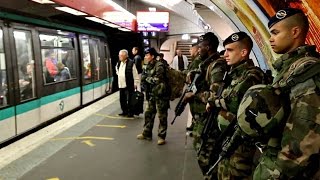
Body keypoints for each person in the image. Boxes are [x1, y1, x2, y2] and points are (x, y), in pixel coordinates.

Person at [251, 8, 320, 179]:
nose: (270, 38)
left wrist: (272, 174)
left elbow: (305, 139)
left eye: (275, 33)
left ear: (295, 32)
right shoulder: (290, 68)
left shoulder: (306, 72)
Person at [209, 32, 266, 180]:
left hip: (240, 140)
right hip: (227, 136)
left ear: (243, 52)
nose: (225, 54)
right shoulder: (233, 74)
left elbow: (234, 102)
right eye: (225, 50)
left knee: (236, 174)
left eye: (230, 50)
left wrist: (214, 102)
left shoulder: (252, 75)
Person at [184, 32, 228, 176]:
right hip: (202, 116)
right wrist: (193, 72)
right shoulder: (207, 63)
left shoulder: (217, 66)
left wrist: (195, 95)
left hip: (210, 117)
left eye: (200, 47)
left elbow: (216, 95)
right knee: (203, 153)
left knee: (206, 157)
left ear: (208, 47)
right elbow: (202, 71)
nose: (198, 50)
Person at [137, 47, 170, 145]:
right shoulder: (147, 66)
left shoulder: (159, 65)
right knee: (148, 114)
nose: (146, 57)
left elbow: (158, 80)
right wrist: (145, 79)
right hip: (151, 94)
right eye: (145, 55)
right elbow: (143, 77)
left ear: (152, 56)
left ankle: (161, 136)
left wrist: (147, 79)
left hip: (161, 95)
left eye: (147, 55)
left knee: (162, 116)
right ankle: (147, 133)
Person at [116, 49, 140, 117]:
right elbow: (117, 70)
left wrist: (135, 83)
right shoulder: (119, 63)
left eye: (121, 55)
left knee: (130, 99)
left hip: (129, 84)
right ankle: (124, 111)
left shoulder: (131, 63)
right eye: (119, 55)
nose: (120, 57)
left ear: (126, 56)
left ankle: (130, 112)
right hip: (121, 84)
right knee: (122, 99)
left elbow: (135, 74)